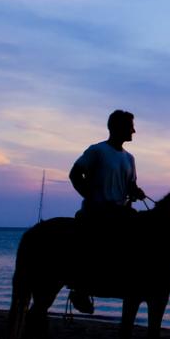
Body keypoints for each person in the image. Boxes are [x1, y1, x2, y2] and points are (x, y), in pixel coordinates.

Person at [66, 109, 147, 313]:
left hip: (120, 211)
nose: (134, 131)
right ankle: (80, 289)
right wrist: (90, 196)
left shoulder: (130, 158)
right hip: (97, 211)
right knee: (94, 246)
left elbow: (130, 186)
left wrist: (136, 191)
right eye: (130, 126)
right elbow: (75, 174)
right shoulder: (97, 151)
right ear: (117, 127)